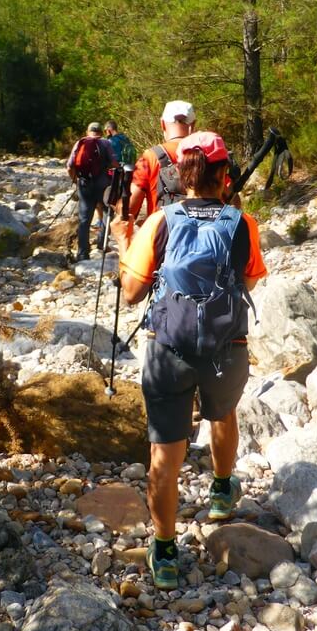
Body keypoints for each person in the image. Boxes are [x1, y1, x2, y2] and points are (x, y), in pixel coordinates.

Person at [110, 130, 267, 590]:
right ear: (225, 174)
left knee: (165, 454)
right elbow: (250, 283)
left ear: (179, 175)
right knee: (224, 412)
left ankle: (164, 551)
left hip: (168, 351)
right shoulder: (244, 223)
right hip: (226, 352)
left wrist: (123, 241)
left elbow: (133, 292)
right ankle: (221, 489)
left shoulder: (160, 221)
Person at [125, 100, 196, 231]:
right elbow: (229, 200)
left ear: (162, 124)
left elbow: (129, 209)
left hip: (162, 238)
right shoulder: (207, 155)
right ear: (193, 125)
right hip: (203, 241)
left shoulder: (150, 157)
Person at [66, 121, 116, 260]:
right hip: (103, 184)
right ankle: (102, 243)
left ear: (88, 132)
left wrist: (75, 180)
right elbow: (114, 163)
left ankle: (82, 253)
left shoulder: (80, 143)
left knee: (84, 219)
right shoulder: (106, 143)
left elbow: (70, 166)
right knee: (107, 213)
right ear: (101, 132)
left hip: (84, 184)